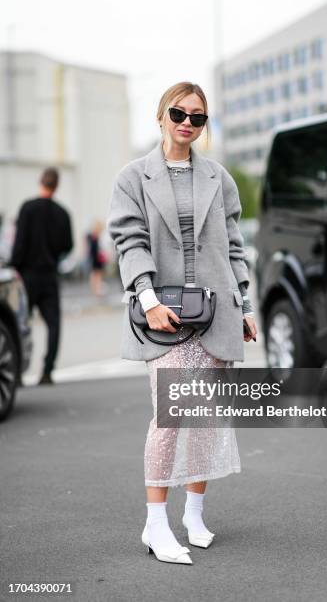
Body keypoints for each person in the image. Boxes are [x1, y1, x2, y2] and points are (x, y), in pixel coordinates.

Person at [108, 82, 257, 565]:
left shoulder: (219, 178)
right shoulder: (134, 177)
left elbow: (234, 248)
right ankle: (155, 525)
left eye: (198, 117)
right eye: (179, 113)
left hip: (216, 314)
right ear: (161, 115)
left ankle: (194, 514)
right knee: (170, 417)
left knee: (207, 420)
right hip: (164, 319)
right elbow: (129, 242)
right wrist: (147, 298)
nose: (188, 123)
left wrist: (247, 307)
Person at [10, 167, 73, 385]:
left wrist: (14, 265)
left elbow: (19, 244)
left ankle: (15, 373)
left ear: (41, 182)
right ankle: (47, 371)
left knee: (19, 323)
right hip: (49, 275)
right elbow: (68, 245)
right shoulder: (62, 213)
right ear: (56, 186)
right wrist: (53, 255)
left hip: (27, 275)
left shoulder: (27, 208)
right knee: (53, 324)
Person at [86, 220, 107, 297]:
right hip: (96, 259)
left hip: (94, 259)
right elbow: (95, 250)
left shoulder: (92, 237)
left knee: (95, 275)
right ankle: (97, 291)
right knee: (97, 275)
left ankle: (96, 290)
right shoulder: (95, 237)